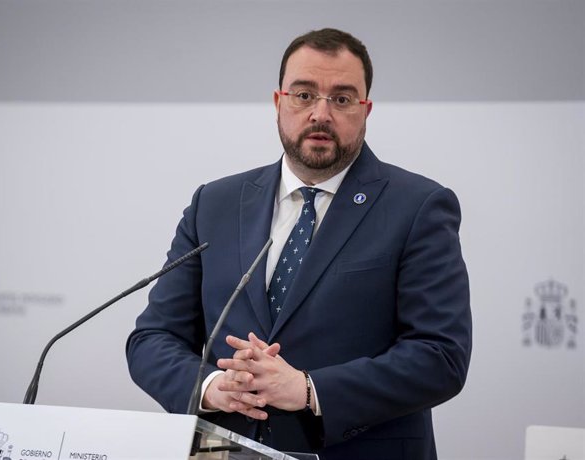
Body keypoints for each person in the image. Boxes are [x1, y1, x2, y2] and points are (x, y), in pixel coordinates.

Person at [126, 28, 471, 460]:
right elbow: (153, 338)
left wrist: (309, 389)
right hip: (221, 449)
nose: (320, 114)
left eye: (342, 99)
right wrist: (214, 387)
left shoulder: (417, 207)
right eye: (304, 95)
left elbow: (441, 356)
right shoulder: (214, 204)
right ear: (278, 103)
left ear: (366, 111)